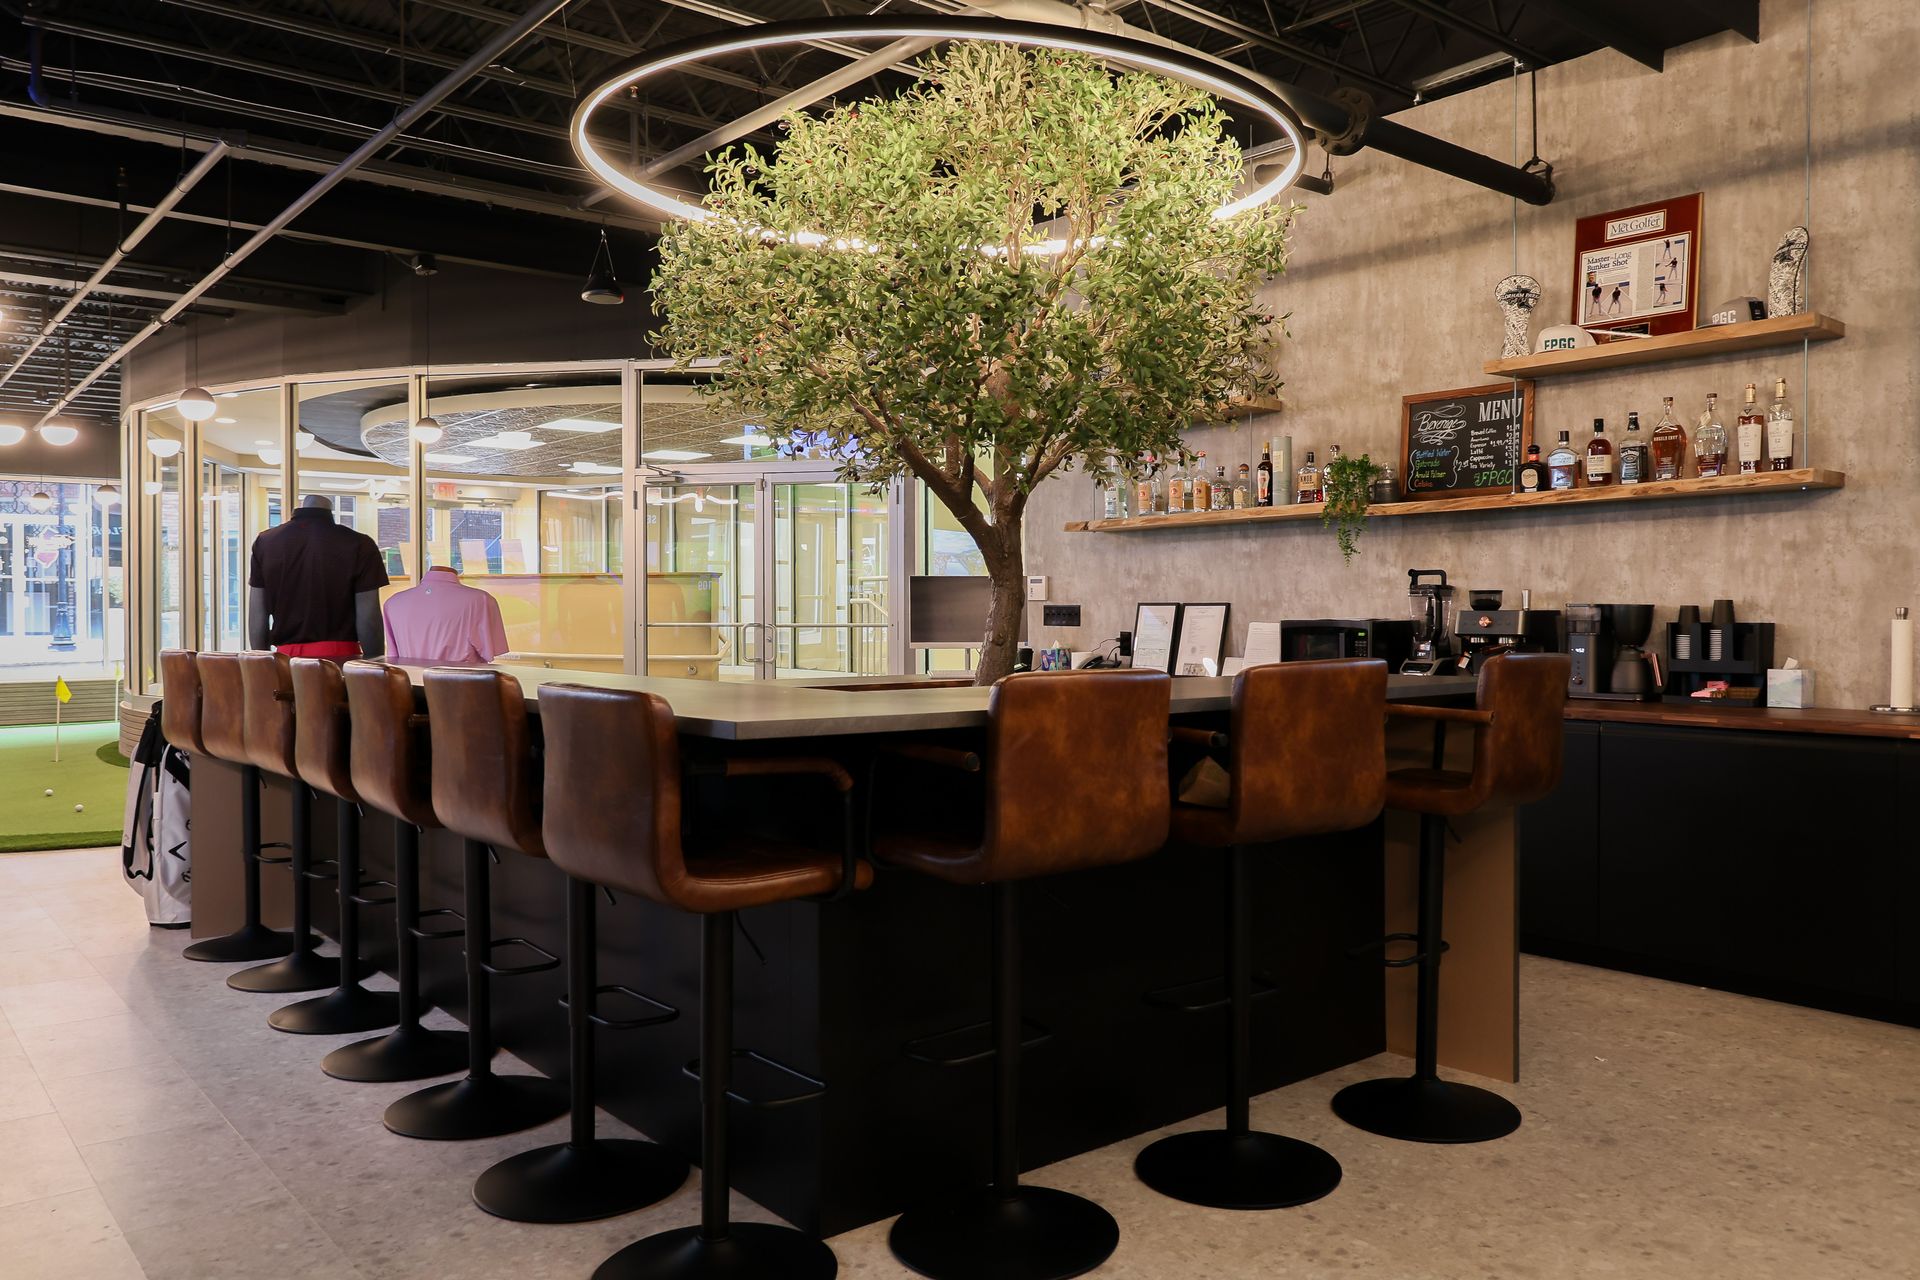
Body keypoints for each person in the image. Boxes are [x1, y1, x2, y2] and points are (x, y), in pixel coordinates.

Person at [248, 494, 387, 658]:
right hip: (341, 658)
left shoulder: (265, 542)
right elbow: (369, 620)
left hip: (286, 660)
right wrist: (375, 664)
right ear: (330, 511)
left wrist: (262, 663)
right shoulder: (360, 545)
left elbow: (257, 615)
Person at [381, 564, 508, 664]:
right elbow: (491, 651)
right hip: (462, 688)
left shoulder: (392, 602)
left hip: (410, 689)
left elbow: (393, 656)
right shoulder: (481, 600)